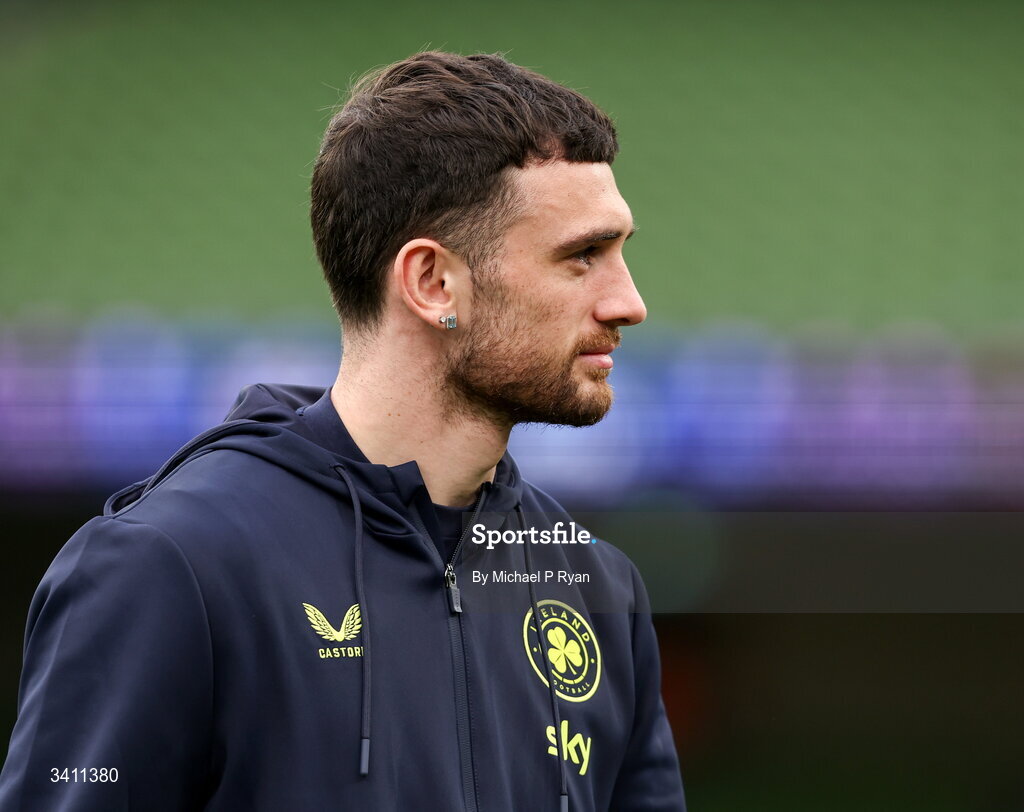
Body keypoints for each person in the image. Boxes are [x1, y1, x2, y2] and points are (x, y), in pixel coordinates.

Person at [0, 51, 686, 811]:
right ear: (432, 284)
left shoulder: (594, 588)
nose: (628, 302)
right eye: (583, 256)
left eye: (620, 252)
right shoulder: (171, 566)